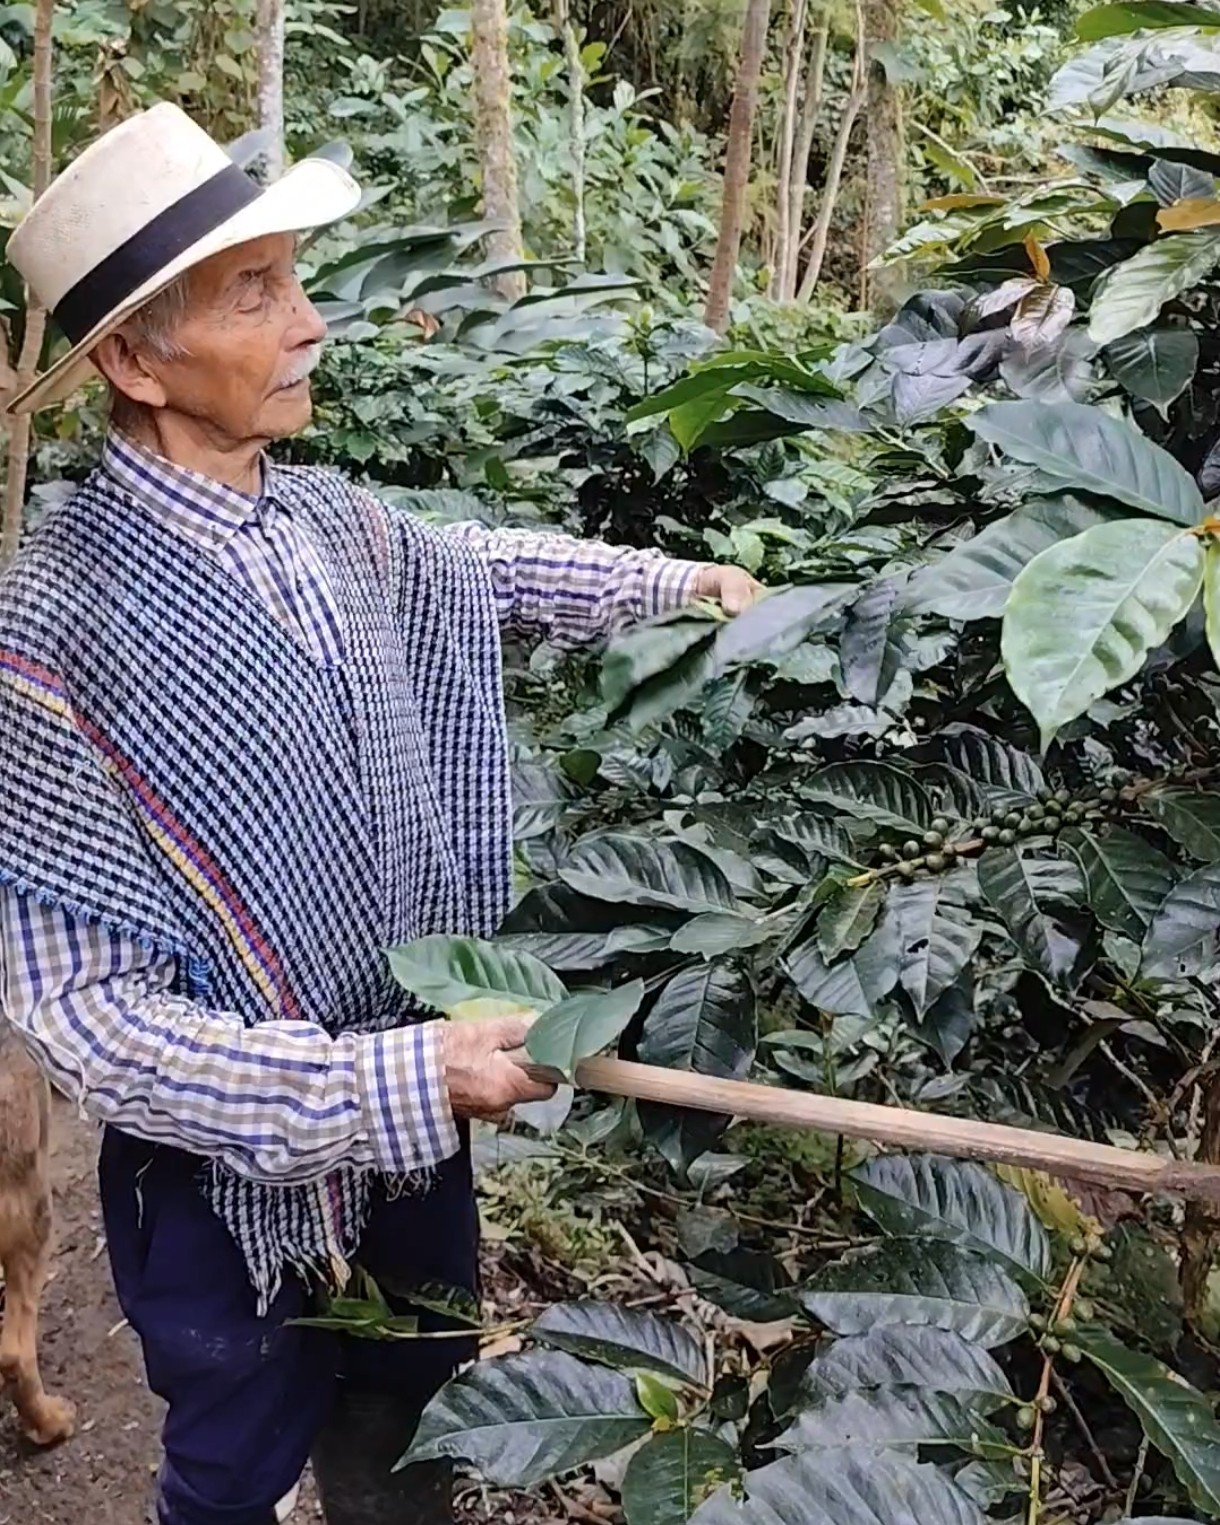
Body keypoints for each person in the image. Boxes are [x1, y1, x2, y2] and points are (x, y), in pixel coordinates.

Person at [0, 104, 760, 1525]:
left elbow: (479, 568)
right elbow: (85, 1015)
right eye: (254, 293)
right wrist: (383, 1084)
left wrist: (679, 589)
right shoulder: (54, 632)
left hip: (417, 1136)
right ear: (133, 363)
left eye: (295, 281)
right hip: (222, 1188)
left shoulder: (325, 523)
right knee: (230, 1459)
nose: (310, 325)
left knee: (413, 1413)